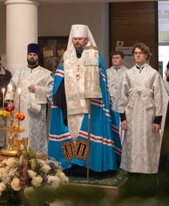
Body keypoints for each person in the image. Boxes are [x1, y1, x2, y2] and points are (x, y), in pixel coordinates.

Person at [48, 24, 121, 175]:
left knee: (87, 134)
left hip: (90, 105)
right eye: (75, 39)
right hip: (69, 105)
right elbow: (58, 78)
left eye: (80, 39)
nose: (77, 42)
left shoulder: (95, 55)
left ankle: (88, 165)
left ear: (86, 39)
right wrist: (59, 97)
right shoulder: (66, 57)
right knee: (70, 134)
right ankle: (71, 164)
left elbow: (102, 80)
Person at [118, 43, 166, 175]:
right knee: (132, 144)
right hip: (132, 114)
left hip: (148, 114)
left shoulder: (154, 74)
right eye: (135, 53)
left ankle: (148, 175)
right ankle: (132, 174)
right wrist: (122, 118)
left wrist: (157, 120)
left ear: (146, 55)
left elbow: (159, 98)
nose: (138, 55)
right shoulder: (127, 74)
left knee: (147, 144)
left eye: (140, 53)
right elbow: (122, 96)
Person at [7, 43, 53, 153]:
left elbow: (51, 92)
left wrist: (37, 89)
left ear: (38, 57)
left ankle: (37, 157)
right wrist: (9, 101)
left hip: (36, 113)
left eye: (34, 55)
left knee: (36, 137)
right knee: (20, 133)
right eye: (30, 54)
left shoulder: (45, 74)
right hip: (20, 112)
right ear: (27, 56)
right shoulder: (20, 72)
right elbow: (11, 86)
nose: (32, 56)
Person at [107, 51, 127, 115]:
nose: (115, 59)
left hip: (122, 102)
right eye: (113, 58)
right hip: (109, 101)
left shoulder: (128, 72)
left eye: (117, 58)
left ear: (122, 60)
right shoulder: (106, 72)